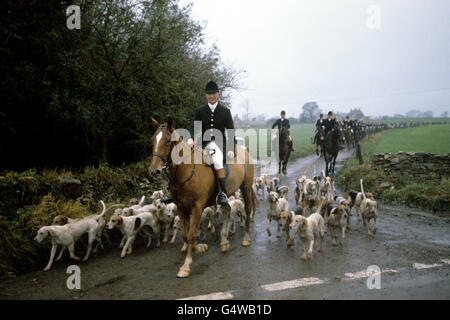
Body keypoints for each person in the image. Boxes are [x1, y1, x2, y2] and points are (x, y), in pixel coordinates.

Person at [187, 81, 235, 206]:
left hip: (219, 145)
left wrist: (231, 149)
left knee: (217, 160)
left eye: (213, 93)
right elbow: (195, 127)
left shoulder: (225, 111)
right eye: (209, 94)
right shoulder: (200, 111)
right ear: (205, 95)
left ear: (218, 94)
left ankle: (222, 193)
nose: (211, 96)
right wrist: (191, 138)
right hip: (202, 144)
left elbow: (230, 131)